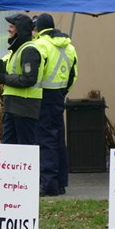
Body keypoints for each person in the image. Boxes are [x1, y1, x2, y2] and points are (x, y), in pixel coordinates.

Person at [34, 13, 78, 197]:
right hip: (59, 95)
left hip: (43, 96)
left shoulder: (39, 45)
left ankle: (49, 184)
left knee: (45, 140)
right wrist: (62, 91)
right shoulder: (69, 47)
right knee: (59, 139)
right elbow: (73, 75)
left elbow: (35, 73)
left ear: (38, 28)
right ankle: (60, 183)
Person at [0, 13, 43, 145]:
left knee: (25, 148)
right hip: (15, 106)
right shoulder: (18, 49)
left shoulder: (29, 50)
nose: (8, 29)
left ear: (20, 29)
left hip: (24, 107)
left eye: (11, 26)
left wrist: (5, 78)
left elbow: (29, 79)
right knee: (9, 146)